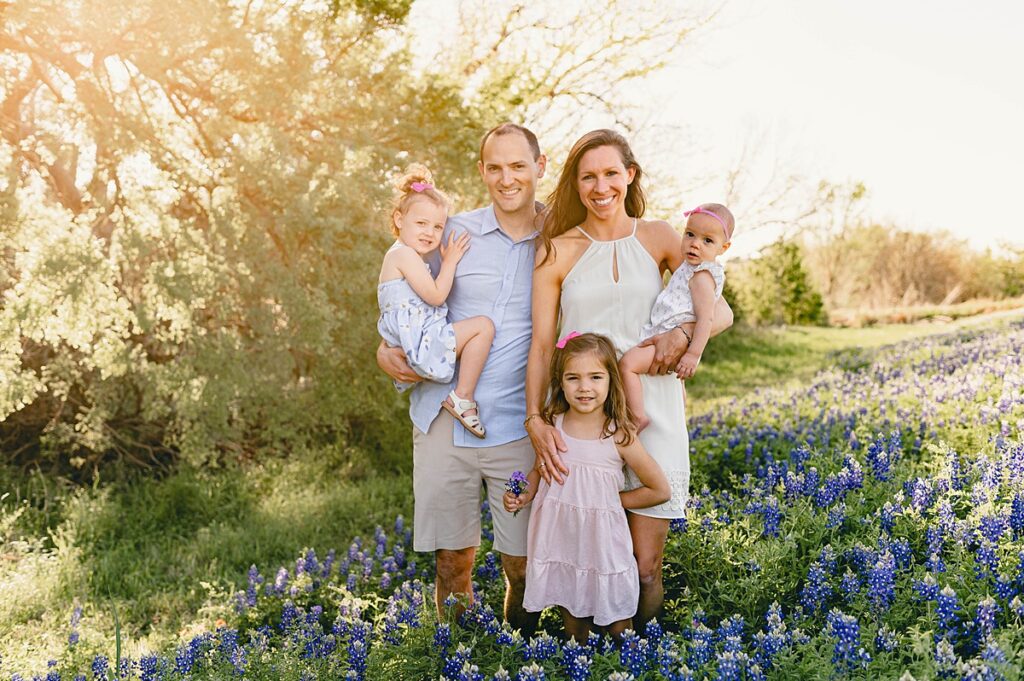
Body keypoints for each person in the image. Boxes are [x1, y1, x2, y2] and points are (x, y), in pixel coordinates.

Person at [525, 129, 733, 629]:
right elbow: (539, 345)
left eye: (611, 173)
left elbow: (720, 310)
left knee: (645, 566)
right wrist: (535, 418)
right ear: (575, 184)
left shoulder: (661, 236)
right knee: (589, 560)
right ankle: (594, 655)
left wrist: (681, 335)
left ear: (630, 175)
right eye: (588, 176)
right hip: (583, 413)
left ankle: (637, 653)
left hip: (652, 404)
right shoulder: (557, 251)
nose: (601, 186)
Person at [376, 124, 546, 631]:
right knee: (453, 564)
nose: (506, 178)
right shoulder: (452, 232)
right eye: (495, 167)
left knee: (523, 563)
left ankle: (522, 657)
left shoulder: (563, 238)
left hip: (518, 432)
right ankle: (459, 659)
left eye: (518, 166)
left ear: (539, 167)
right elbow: (400, 295)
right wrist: (384, 348)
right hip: (442, 425)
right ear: (482, 171)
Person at [504, 332, 669, 642]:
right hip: (563, 538)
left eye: (595, 377)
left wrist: (611, 501)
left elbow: (659, 489)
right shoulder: (554, 425)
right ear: (560, 382)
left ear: (611, 381)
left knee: (619, 623)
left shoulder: (619, 435)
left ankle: (625, 669)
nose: (584, 387)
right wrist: (523, 494)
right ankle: (578, 661)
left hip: (604, 543)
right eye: (573, 378)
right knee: (573, 617)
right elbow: (541, 470)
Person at [377, 164, 495, 437]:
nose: (430, 233)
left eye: (438, 226)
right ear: (398, 219)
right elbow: (436, 295)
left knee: (479, 329)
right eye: (421, 223)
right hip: (421, 339)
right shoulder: (403, 255)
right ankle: (462, 396)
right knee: (484, 327)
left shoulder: (402, 255)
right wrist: (450, 260)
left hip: (411, 338)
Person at [619, 203, 734, 430]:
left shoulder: (702, 276)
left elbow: (706, 319)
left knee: (627, 365)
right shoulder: (692, 268)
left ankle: (637, 416)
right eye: (690, 234)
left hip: (667, 336)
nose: (695, 244)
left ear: (724, 247)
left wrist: (692, 354)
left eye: (707, 240)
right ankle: (678, 421)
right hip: (665, 332)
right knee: (675, 389)